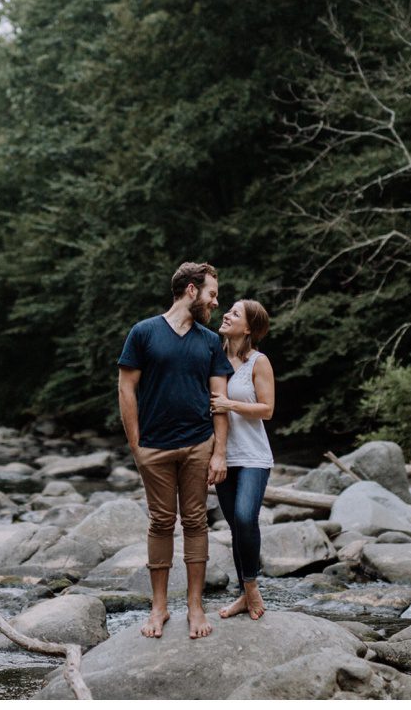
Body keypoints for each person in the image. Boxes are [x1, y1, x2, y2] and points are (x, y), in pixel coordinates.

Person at [118, 262, 233, 639]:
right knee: (161, 523)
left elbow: (220, 400)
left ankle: (195, 607)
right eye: (212, 294)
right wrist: (136, 446)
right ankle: (159, 607)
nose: (215, 302)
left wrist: (219, 451)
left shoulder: (210, 341)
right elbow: (126, 389)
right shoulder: (143, 332)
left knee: (196, 522)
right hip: (154, 447)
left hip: (198, 444)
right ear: (191, 290)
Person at [211, 299, 275, 621]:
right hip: (223, 456)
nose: (226, 314)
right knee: (236, 527)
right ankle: (243, 595)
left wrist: (230, 404)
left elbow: (267, 409)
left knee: (245, 518)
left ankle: (251, 587)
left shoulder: (258, 362)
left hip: (253, 456)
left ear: (248, 327)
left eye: (235, 313)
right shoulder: (215, 359)